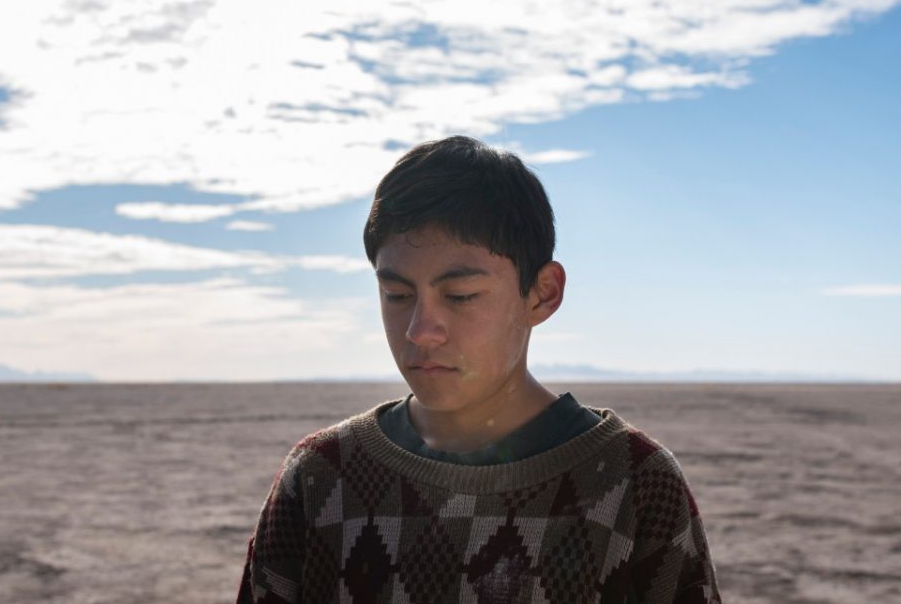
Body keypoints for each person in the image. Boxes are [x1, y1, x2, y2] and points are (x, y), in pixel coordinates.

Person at [236, 136, 721, 603]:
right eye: (398, 295)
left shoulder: (633, 484)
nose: (421, 330)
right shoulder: (321, 476)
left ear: (542, 293)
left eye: (461, 295)